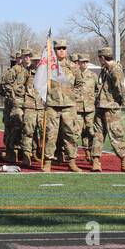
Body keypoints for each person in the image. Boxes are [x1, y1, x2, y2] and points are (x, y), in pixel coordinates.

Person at [42, 41, 80, 172]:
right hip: (53, 105)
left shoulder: (73, 67)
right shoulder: (48, 67)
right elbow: (40, 83)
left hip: (69, 106)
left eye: (64, 48)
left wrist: (73, 96)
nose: (61, 50)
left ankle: (72, 161)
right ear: (54, 50)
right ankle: (48, 161)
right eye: (58, 48)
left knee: (70, 134)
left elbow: (80, 84)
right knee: (51, 134)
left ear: (67, 50)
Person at [92, 46, 125, 172]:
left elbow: (120, 88)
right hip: (101, 106)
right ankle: (96, 161)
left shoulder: (115, 69)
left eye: (100, 58)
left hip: (111, 107)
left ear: (103, 58)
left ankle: (123, 161)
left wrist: (120, 101)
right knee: (98, 134)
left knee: (116, 134)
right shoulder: (105, 69)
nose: (99, 60)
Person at [74, 53, 98, 165]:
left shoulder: (93, 75)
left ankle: (92, 155)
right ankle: (72, 157)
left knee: (91, 132)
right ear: (78, 63)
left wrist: (94, 100)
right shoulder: (74, 74)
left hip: (90, 108)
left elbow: (97, 90)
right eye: (82, 62)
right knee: (76, 132)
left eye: (86, 62)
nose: (84, 64)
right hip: (77, 108)